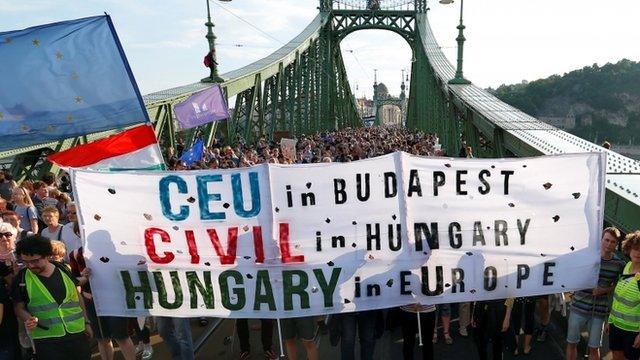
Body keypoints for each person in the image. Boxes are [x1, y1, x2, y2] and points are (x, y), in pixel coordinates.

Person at [11, 234, 92, 360]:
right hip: (46, 340)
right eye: (26, 262)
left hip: (77, 334)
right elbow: (18, 307)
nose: (31, 266)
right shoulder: (21, 279)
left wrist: (86, 322)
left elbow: (76, 297)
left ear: (47, 255)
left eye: (35, 261)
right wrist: (29, 319)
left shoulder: (63, 269)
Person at [566, 227, 625, 360]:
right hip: (578, 306)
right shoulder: (587, 257)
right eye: (606, 240)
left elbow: (618, 286)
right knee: (571, 343)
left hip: (599, 311)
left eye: (612, 242)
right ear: (601, 239)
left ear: (616, 244)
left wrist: (604, 290)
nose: (608, 244)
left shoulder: (618, 264)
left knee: (594, 347)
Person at [608, 230, 640, 360]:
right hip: (616, 326)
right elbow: (618, 298)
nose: (638, 253)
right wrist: (610, 320)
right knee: (616, 356)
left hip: (632, 331)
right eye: (635, 248)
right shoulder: (626, 266)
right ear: (629, 249)